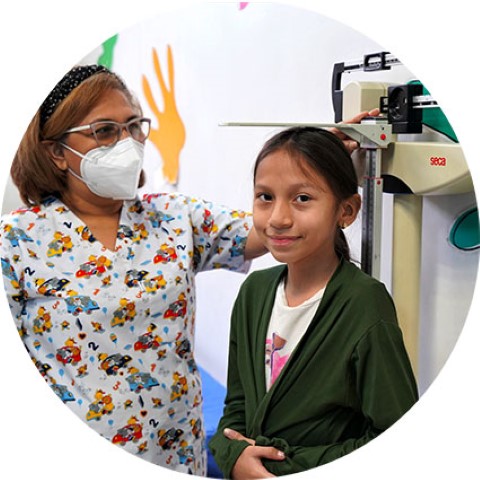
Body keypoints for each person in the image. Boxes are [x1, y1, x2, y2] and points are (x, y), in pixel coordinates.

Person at [0, 64, 267, 476]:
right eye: (104, 131)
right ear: (56, 152)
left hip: (176, 456)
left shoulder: (174, 217)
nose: (126, 143)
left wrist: (325, 164)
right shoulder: (15, 240)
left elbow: (271, 230)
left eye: (133, 127)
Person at [209, 126, 419, 478]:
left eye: (302, 198)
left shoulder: (364, 304)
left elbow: (395, 435)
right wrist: (234, 458)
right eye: (265, 197)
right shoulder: (254, 292)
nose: (278, 218)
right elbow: (237, 407)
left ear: (347, 211)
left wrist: (285, 466)